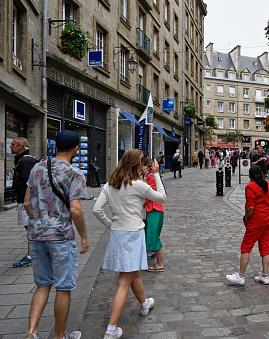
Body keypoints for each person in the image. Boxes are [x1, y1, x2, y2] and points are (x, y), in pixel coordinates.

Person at [93, 149, 166, 339]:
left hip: (118, 234)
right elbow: (162, 198)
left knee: (134, 274)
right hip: (133, 234)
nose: (145, 168)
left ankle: (144, 304)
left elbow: (96, 209)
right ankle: (111, 329)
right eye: (143, 164)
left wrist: (111, 223)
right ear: (136, 165)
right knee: (123, 281)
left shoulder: (110, 184)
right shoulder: (138, 185)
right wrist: (157, 175)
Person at [24, 130, 89, 339]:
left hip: (36, 235)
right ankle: (60, 336)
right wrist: (84, 237)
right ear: (76, 149)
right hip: (60, 236)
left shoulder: (37, 168)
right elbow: (75, 209)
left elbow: (27, 202)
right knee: (63, 286)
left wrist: (39, 220)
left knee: (43, 284)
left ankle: (31, 332)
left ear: (55, 145)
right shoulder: (75, 173)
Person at [226, 166, 269, 285]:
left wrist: (246, 218)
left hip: (257, 220)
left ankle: (241, 276)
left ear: (250, 176)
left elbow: (250, 207)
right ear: (263, 174)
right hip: (268, 220)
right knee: (265, 247)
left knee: (246, 246)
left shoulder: (250, 186)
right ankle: (265, 276)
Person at [10, 137, 38, 268]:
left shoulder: (25, 161)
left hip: (26, 200)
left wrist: (26, 200)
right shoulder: (26, 159)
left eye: (13, 144)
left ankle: (31, 256)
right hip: (27, 199)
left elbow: (28, 182)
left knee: (31, 229)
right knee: (31, 228)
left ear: (20, 147)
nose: (11, 146)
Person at [141, 159, 165, 272]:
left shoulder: (150, 177)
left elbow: (149, 194)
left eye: (143, 166)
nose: (141, 168)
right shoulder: (150, 176)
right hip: (155, 208)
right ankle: (152, 255)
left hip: (153, 208)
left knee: (153, 234)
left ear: (147, 166)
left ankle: (160, 264)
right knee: (152, 233)